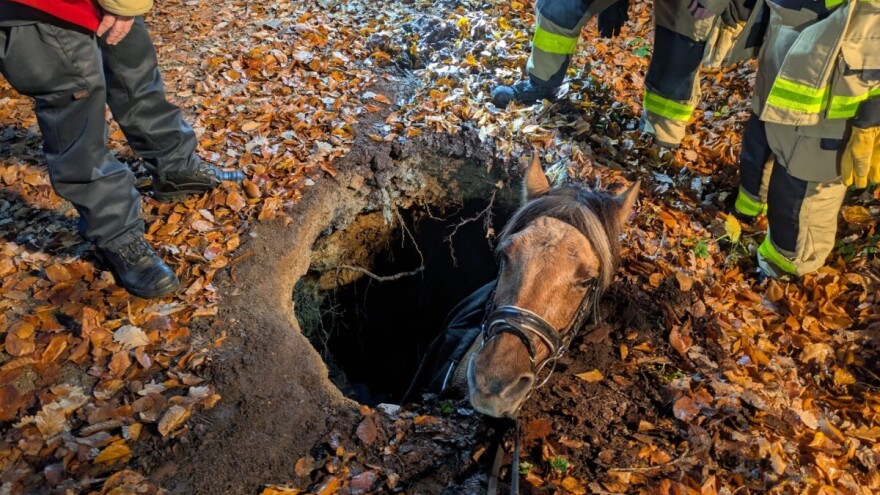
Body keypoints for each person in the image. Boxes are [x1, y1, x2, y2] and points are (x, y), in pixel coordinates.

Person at [0, 0, 245, 298]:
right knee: (75, 110)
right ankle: (117, 234)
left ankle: (174, 166)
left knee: (134, 72)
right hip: (41, 7)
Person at [730, 0, 880, 278]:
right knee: (764, 144)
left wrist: (875, 111)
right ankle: (748, 212)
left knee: (805, 185)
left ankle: (785, 270)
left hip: (844, 68)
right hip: (789, 38)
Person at [640, 0, 750, 147]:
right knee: (668, 55)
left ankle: (664, 140)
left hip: (703, 7)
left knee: (677, 63)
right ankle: (655, 133)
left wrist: (738, 6)